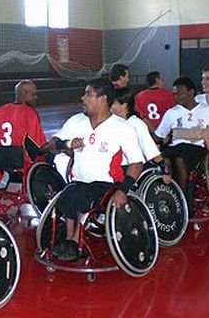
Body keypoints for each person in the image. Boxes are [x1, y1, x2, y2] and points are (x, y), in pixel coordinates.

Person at [42, 78, 144, 261]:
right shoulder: (76, 121)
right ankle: (69, 240)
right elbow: (49, 146)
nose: (83, 98)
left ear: (103, 99)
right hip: (79, 182)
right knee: (67, 195)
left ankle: (74, 241)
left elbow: (136, 163)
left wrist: (123, 190)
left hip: (107, 185)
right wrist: (67, 144)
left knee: (82, 196)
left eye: (88, 94)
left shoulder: (122, 128)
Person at [154, 77, 209, 214]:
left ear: (191, 92)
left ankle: (182, 200)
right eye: (174, 93)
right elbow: (159, 136)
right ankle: (168, 196)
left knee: (179, 160)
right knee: (164, 160)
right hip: (176, 146)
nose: (176, 96)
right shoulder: (171, 113)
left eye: (180, 93)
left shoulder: (207, 111)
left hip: (197, 147)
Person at [0, 80, 47, 170]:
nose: (36, 97)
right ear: (24, 93)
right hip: (22, 166)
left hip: (2, 165)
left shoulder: (0, 110)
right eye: (33, 94)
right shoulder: (29, 113)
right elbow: (37, 145)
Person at [111, 88, 171, 184]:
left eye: (113, 103)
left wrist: (165, 170)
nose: (110, 107)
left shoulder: (136, 124)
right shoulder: (112, 123)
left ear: (124, 105)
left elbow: (150, 149)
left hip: (132, 167)